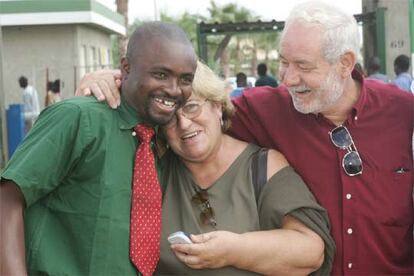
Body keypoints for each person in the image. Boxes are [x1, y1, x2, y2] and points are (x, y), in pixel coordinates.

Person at [78, 1, 414, 275]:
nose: (289, 77)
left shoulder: (404, 113)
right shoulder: (265, 109)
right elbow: (190, 103)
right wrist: (115, 78)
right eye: (283, 62)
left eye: (303, 65)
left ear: (345, 64)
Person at [0, 22, 198, 276]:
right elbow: (7, 197)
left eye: (185, 79)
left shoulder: (169, 139)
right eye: (160, 75)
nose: (173, 89)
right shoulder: (78, 118)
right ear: (125, 69)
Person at [155, 61, 334, 275]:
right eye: (169, 117)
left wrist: (234, 250)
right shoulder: (155, 171)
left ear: (217, 106)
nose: (183, 124)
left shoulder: (262, 167)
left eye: (191, 107)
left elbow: (311, 252)